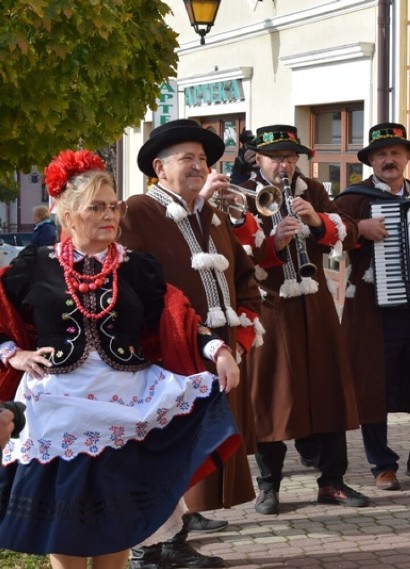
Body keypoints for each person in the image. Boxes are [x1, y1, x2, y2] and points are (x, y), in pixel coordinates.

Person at [0, 149, 242, 569]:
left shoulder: (135, 267)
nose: (109, 215)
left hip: (126, 407)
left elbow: (177, 317)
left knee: (119, 520)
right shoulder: (36, 265)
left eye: (114, 206)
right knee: (68, 526)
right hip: (58, 409)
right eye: (96, 207)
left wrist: (216, 349)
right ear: (69, 215)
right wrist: (13, 354)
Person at [121, 119, 264, 569]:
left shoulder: (212, 214)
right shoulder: (138, 212)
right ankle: (147, 548)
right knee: (158, 451)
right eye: (188, 158)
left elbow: (244, 279)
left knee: (188, 452)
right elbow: (129, 288)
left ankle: (175, 541)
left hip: (217, 356)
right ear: (160, 169)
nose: (199, 165)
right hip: (163, 357)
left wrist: (239, 334)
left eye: (203, 158)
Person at [227, 124, 368, 514]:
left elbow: (351, 233)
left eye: (291, 157)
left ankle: (333, 482)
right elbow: (237, 258)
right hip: (271, 308)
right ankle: (269, 486)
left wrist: (319, 220)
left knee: (328, 391)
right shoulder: (241, 196)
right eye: (278, 158)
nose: (286, 165)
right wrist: (275, 244)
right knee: (271, 397)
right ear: (259, 158)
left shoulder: (314, 190)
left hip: (315, 307)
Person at [334, 122, 410, 491]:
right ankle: (381, 465)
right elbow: (328, 234)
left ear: (407, 158)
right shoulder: (352, 200)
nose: (389, 159)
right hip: (373, 315)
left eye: (396, 153)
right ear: (371, 160)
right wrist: (360, 230)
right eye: (382, 154)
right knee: (373, 388)